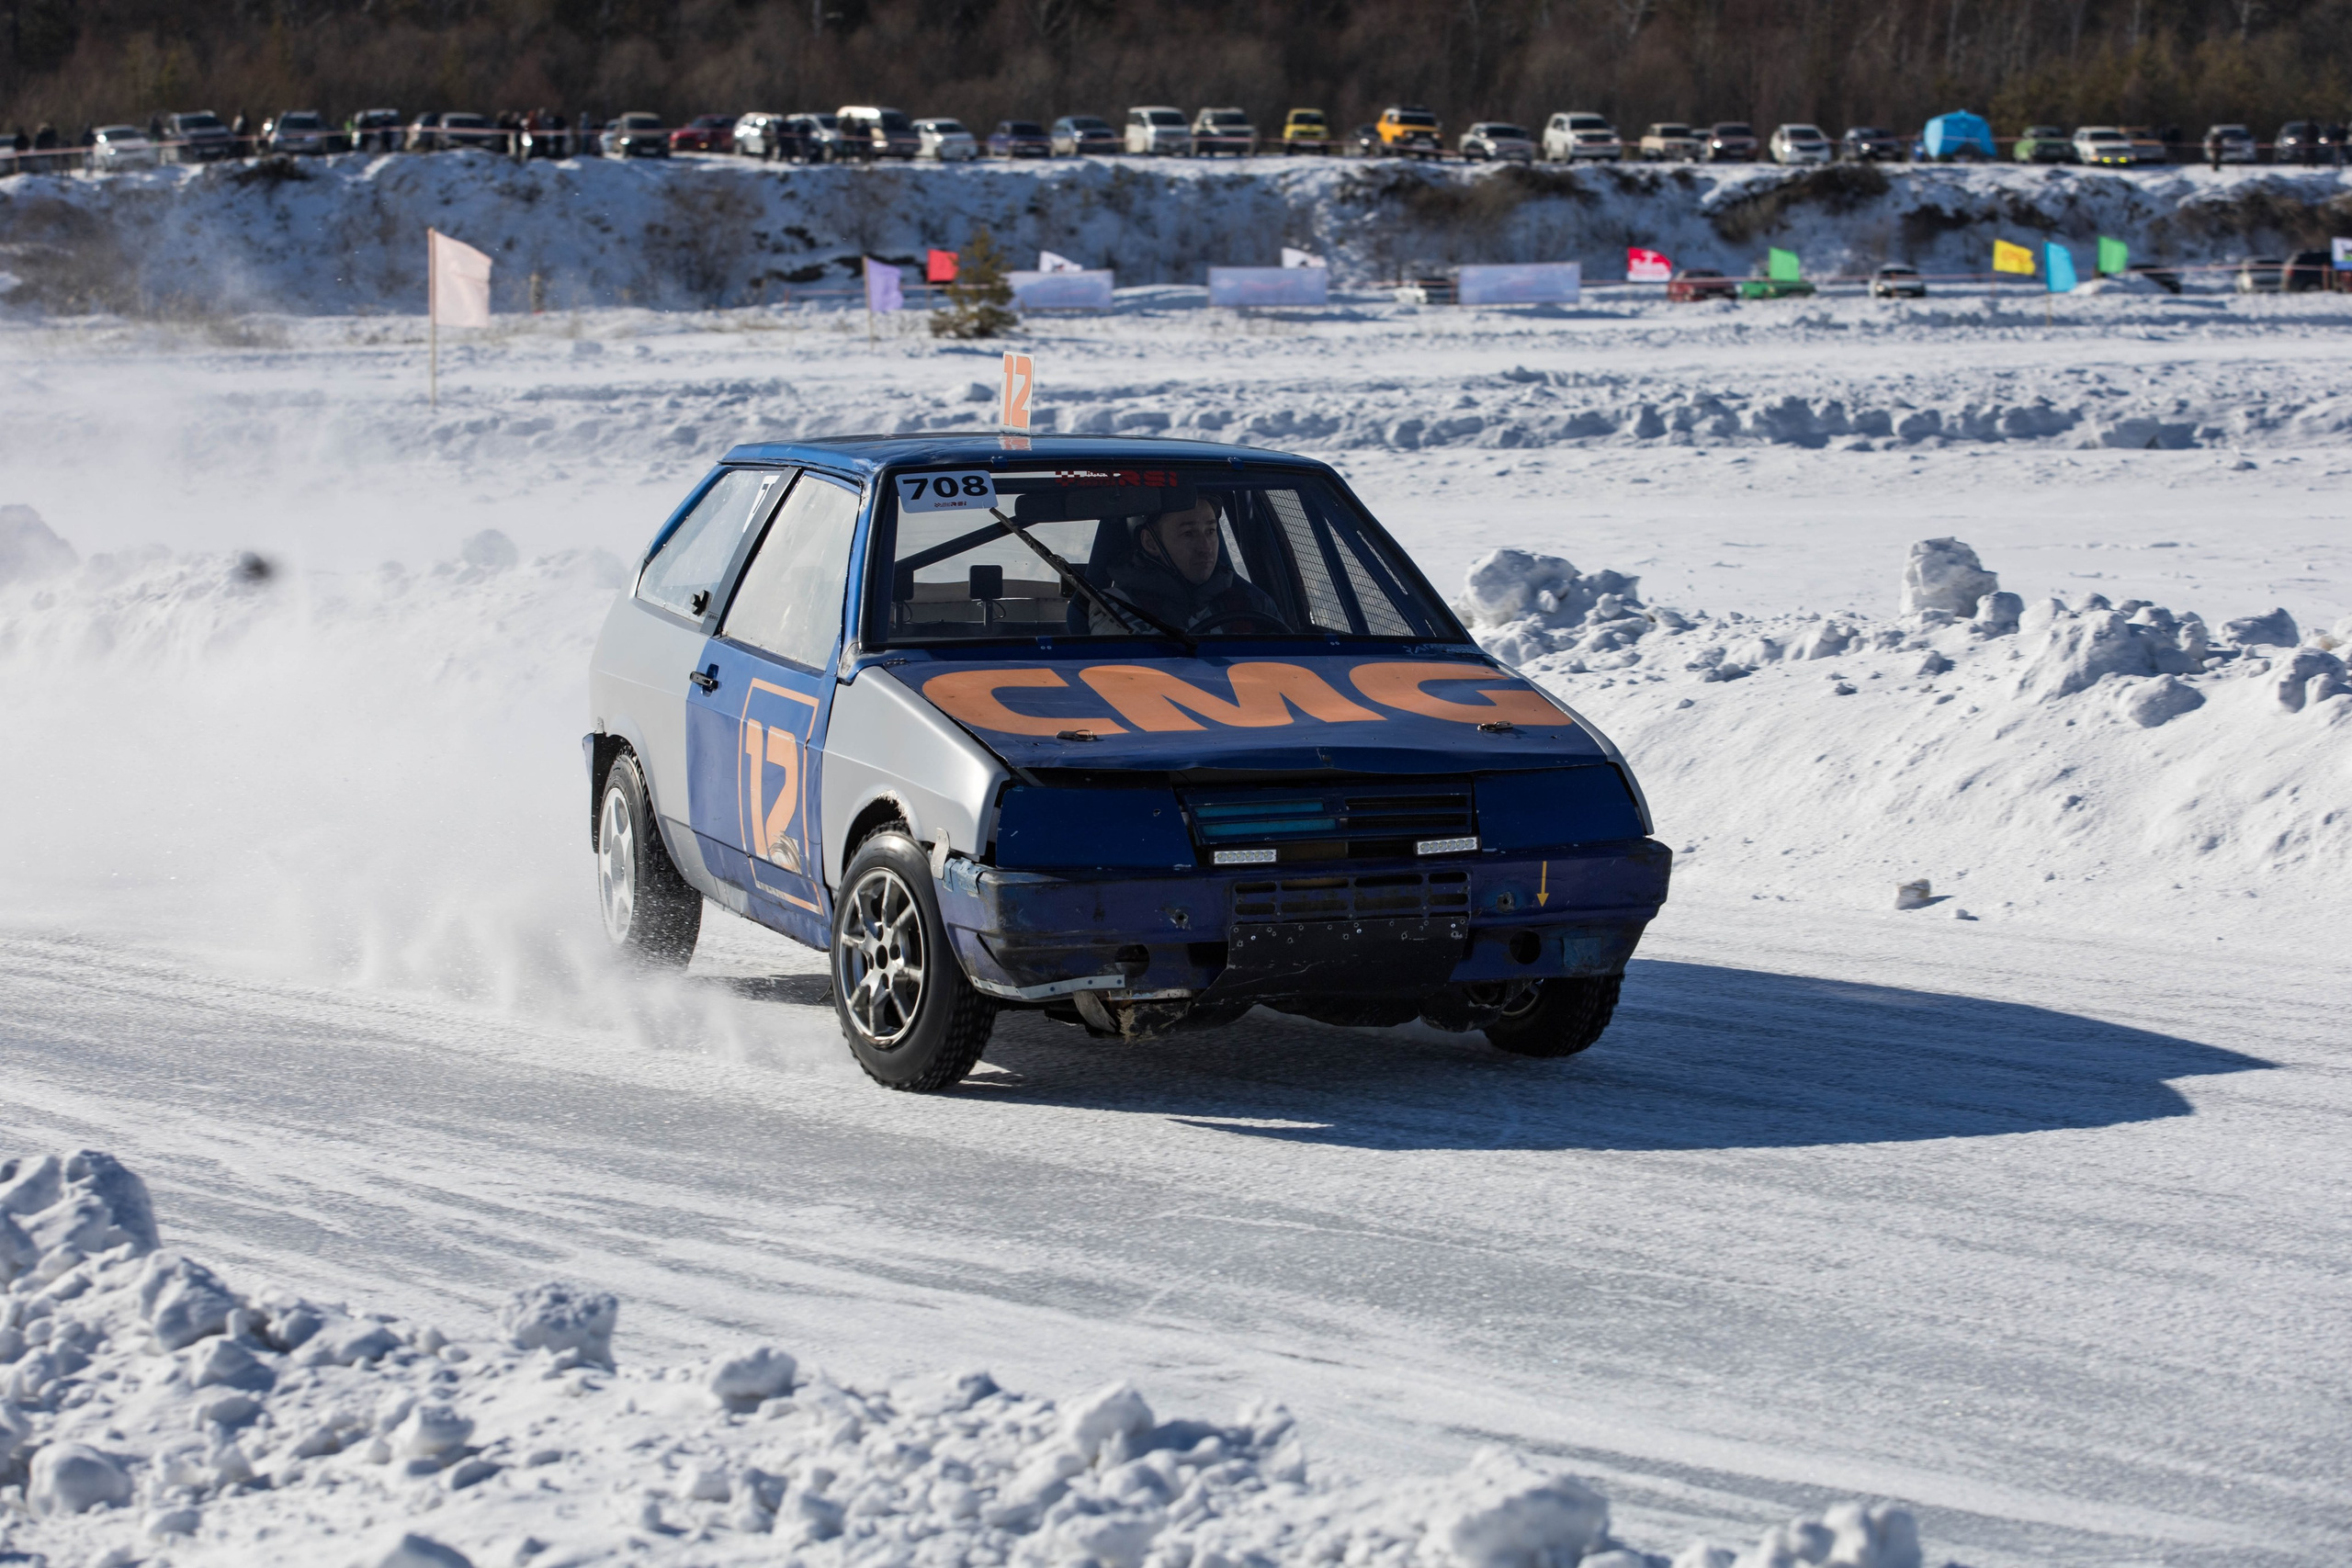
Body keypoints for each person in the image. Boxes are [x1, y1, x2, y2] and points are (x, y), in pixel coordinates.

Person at [1091, 495, 1289, 636]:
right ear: (1151, 543)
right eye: (1188, 534)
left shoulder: (1251, 602)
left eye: (1211, 531)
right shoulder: (1117, 606)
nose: (1205, 547)